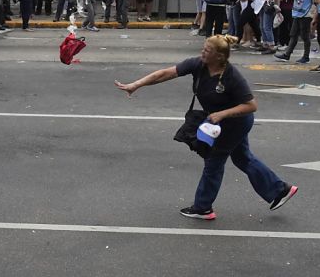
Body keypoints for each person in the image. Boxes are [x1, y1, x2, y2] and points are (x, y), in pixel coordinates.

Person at [115, 35, 298, 220]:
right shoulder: (198, 64)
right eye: (203, 49)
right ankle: (280, 190)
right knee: (242, 158)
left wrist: (222, 114)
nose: (202, 52)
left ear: (219, 56)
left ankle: (203, 207)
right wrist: (136, 85)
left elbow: (251, 105)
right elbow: (165, 73)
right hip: (220, 122)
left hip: (235, 123)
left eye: (207, 51)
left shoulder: (232, 76)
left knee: (214, 160)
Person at [274, 0, 319, 64]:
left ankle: (306, 56)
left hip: (307, 13)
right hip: (298, 11)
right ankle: (287, 55)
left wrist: (314, 15)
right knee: (293, 34)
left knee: (305, 35)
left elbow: (316, 0)